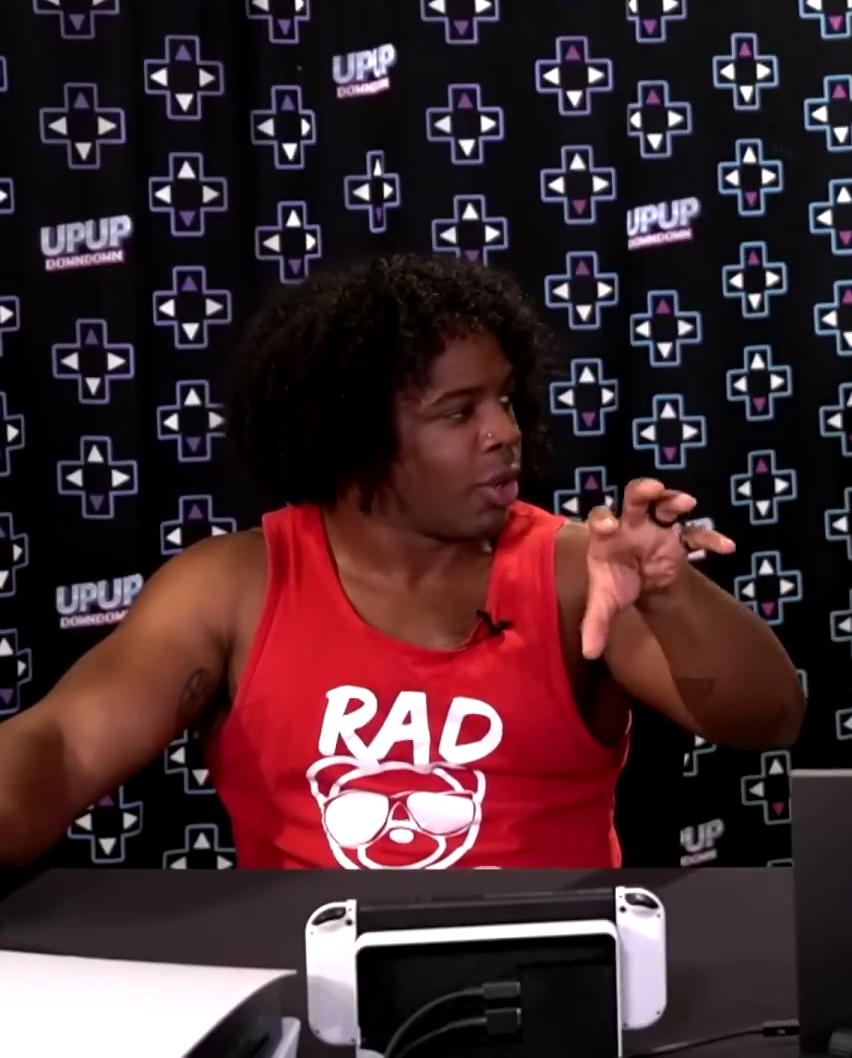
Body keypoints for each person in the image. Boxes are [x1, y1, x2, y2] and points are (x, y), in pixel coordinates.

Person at [0, 254, 804, 870]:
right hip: (312, 992)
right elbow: (64, 746)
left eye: (505, 399)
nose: (504, 432)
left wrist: (668, 592)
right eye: (458, 412)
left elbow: (770, 719)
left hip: (551, 986)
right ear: (353, 438)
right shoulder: (230, 587)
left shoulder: (572, 572)